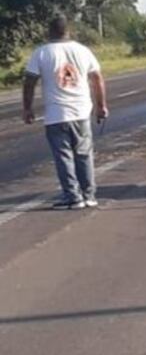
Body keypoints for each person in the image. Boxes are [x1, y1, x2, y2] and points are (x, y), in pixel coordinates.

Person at [22, 15, 109, 210]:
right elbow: (97, 79)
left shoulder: (41, 53)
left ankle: (72, 196)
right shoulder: (83, 51)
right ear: (68, 31)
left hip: (56, 114)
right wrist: (101, 106)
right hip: (81, 112)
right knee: (84, 154)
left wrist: (27, 108)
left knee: (63, 156)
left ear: (49, 31)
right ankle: (89, 195)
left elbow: (29, 82)